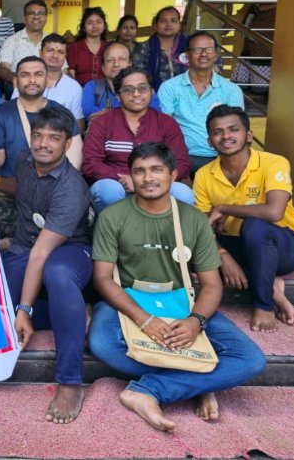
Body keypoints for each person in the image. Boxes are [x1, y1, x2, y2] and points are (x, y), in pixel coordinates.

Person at [88, 142, 266, 432]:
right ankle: (198, 382)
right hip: (129, 299)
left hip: (181, 301)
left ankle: (152, 389)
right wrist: (143, 319)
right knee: (102, 344)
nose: (148, 178)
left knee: (251, 360)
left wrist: (196, 321)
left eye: (157, 170)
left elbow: (211, 284)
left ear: (172, 175)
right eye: (140, 171)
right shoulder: (113, 216)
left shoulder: (193, 219)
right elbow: (103, 279)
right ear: (131, 178)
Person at [0, 107, 92, 424]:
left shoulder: (71, 188)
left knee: (57, 275)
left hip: (69, 252)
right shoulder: (24, 160)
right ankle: (76, 312)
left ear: (68, 143)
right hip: (24, 247)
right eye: (38, 135)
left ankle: (71, 383)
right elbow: (23, 189)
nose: (43, 143)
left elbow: (42, 254)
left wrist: (25, 310)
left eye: (54, 138)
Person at [194, 105, 294, 332]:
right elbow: (202, 227)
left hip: (282, 244)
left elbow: (274, 212)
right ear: (209, 141)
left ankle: (263, 304)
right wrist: (223, 255)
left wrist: (225, 207)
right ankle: (271, 285)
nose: (226, 136)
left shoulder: (273, 162)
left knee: (254, 227)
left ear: (249, 136)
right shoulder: (204, 174)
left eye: (233, 129)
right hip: (236, 245)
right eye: (218, 132)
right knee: (185, 251)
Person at [0, 56, 79, 240]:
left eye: (38, 74)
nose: (32, 80)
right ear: (16, 82)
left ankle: (23, 241)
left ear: (46, 80)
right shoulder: (1, 113)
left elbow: (74, 163)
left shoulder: (62, 114)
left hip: (52, 192)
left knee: (83, 217)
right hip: (11, 190)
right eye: (25, 75)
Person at [82, 68, 193, 213]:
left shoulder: (166, 123)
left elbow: (181, 162)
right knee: (107, 190)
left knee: (183, 193)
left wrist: (150, 179)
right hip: (118, 184)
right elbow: (91, 163)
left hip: (157, 183)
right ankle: (115, 232)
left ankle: (166, 234)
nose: (136, 94)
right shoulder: (102, 122)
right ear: (118, 96)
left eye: (142, 88)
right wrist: (124, 179)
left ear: (152, 92)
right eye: (128, 90)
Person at [157, 31, 244, 173]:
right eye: (197, 50)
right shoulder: (169, 87)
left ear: (215, 54)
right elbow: (165, 129)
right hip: (179, 157)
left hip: (220, 157)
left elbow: (237, 129)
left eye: (209, 49)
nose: (204, 54)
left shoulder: (231, 90)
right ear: (187, 55)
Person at [81, 41, 162, 122]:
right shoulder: (92, 87)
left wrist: (108, 114)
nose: (116, 64)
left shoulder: (144, 88)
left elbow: (154, 115)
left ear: (130, 63)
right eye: (110, 60)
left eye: (122, 59)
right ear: (103, 67)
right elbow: (90, 114)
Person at [233, 0, 280, 90]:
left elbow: (269, 0)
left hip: (267, 26)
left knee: (261, 53)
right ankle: (253, 86)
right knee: (253, 51)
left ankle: (260, 87)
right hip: (259, 25)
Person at [132, 6, 189, 90]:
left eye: (173, 20)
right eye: (163, 21)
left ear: (179, 25)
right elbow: (137, 76)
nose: (168, 24)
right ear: (156, 24)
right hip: (154, 96)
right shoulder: (143, 47)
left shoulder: (190, 45)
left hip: (188, 95)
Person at [0, 0, 50, 87]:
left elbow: (63, 70)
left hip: (48, 88)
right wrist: (19, 81)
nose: (36, 17)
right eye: (31, 13)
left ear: (46, 18)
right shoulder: (12, 41)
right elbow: (3, 69)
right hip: (17, 88)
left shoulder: (51, 42)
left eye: (40, 13)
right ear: (24, 19)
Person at [40, 33, 85, 134]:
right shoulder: (27, 81)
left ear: (65, 56)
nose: (55, 55)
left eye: (60, 52)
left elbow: (79, 126)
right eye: (50, 50)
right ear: (40, 53)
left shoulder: (73, 87)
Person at [67, 7, 109, 86]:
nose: (94, 26)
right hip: (80, 92)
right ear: (83, 27)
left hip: (106, 93)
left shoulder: (109, 48)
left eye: (98, 22)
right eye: (90, 23)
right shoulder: (74, 48)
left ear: (104, 26)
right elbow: (71, 75)